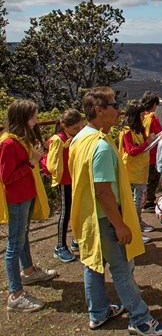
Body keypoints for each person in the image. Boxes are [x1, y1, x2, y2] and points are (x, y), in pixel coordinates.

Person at [69, 86, 162, 334]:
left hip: (88, 215)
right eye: (114, 105)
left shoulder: (79, 138)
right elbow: (103, 191)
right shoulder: (100, 146)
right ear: (99, 110)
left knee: (93, 264)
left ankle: (99, 312)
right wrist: (120, 224)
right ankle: (139, 318)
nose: (119, 110)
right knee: (122, 268)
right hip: (106, 217)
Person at [1, 99, 57, 312]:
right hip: (17, 198)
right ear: (23, 118)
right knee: (14, 243)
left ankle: (29, 270)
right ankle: (15, 294)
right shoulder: (8, 143)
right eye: (33, 117)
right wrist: (32, 162)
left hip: (26, 195)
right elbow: (7, 177)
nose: (36, 121)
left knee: (23, 236)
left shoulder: (19, 139)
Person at [46, 108, 85, 263]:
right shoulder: (59, 140)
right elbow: (52, 163)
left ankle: (77, 239)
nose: (78, 131)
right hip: (66, 181)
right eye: (75, 128)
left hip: (76, 178)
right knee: (66, 212)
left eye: (80, 127)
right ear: (64, 126)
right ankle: (60, 246)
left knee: (79, 209)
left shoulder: (73, 137)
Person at [119, 101, 159, 243]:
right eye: (141, 115)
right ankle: (135, 229)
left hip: (141, 167)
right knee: (137, 199)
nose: (144, 117)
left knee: (140, 197)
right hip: (132, 169)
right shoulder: (127, 131)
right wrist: (148, 143)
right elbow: (131, 151)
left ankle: (139, 222)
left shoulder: (139, 129)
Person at [140, 91, 162, 210]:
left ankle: (143, 200)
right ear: (154, 104)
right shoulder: (152, 118)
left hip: (142, 152)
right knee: (152, 178)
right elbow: (159, 134)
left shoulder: (140, 116)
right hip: (153, 153)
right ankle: (149, 200)